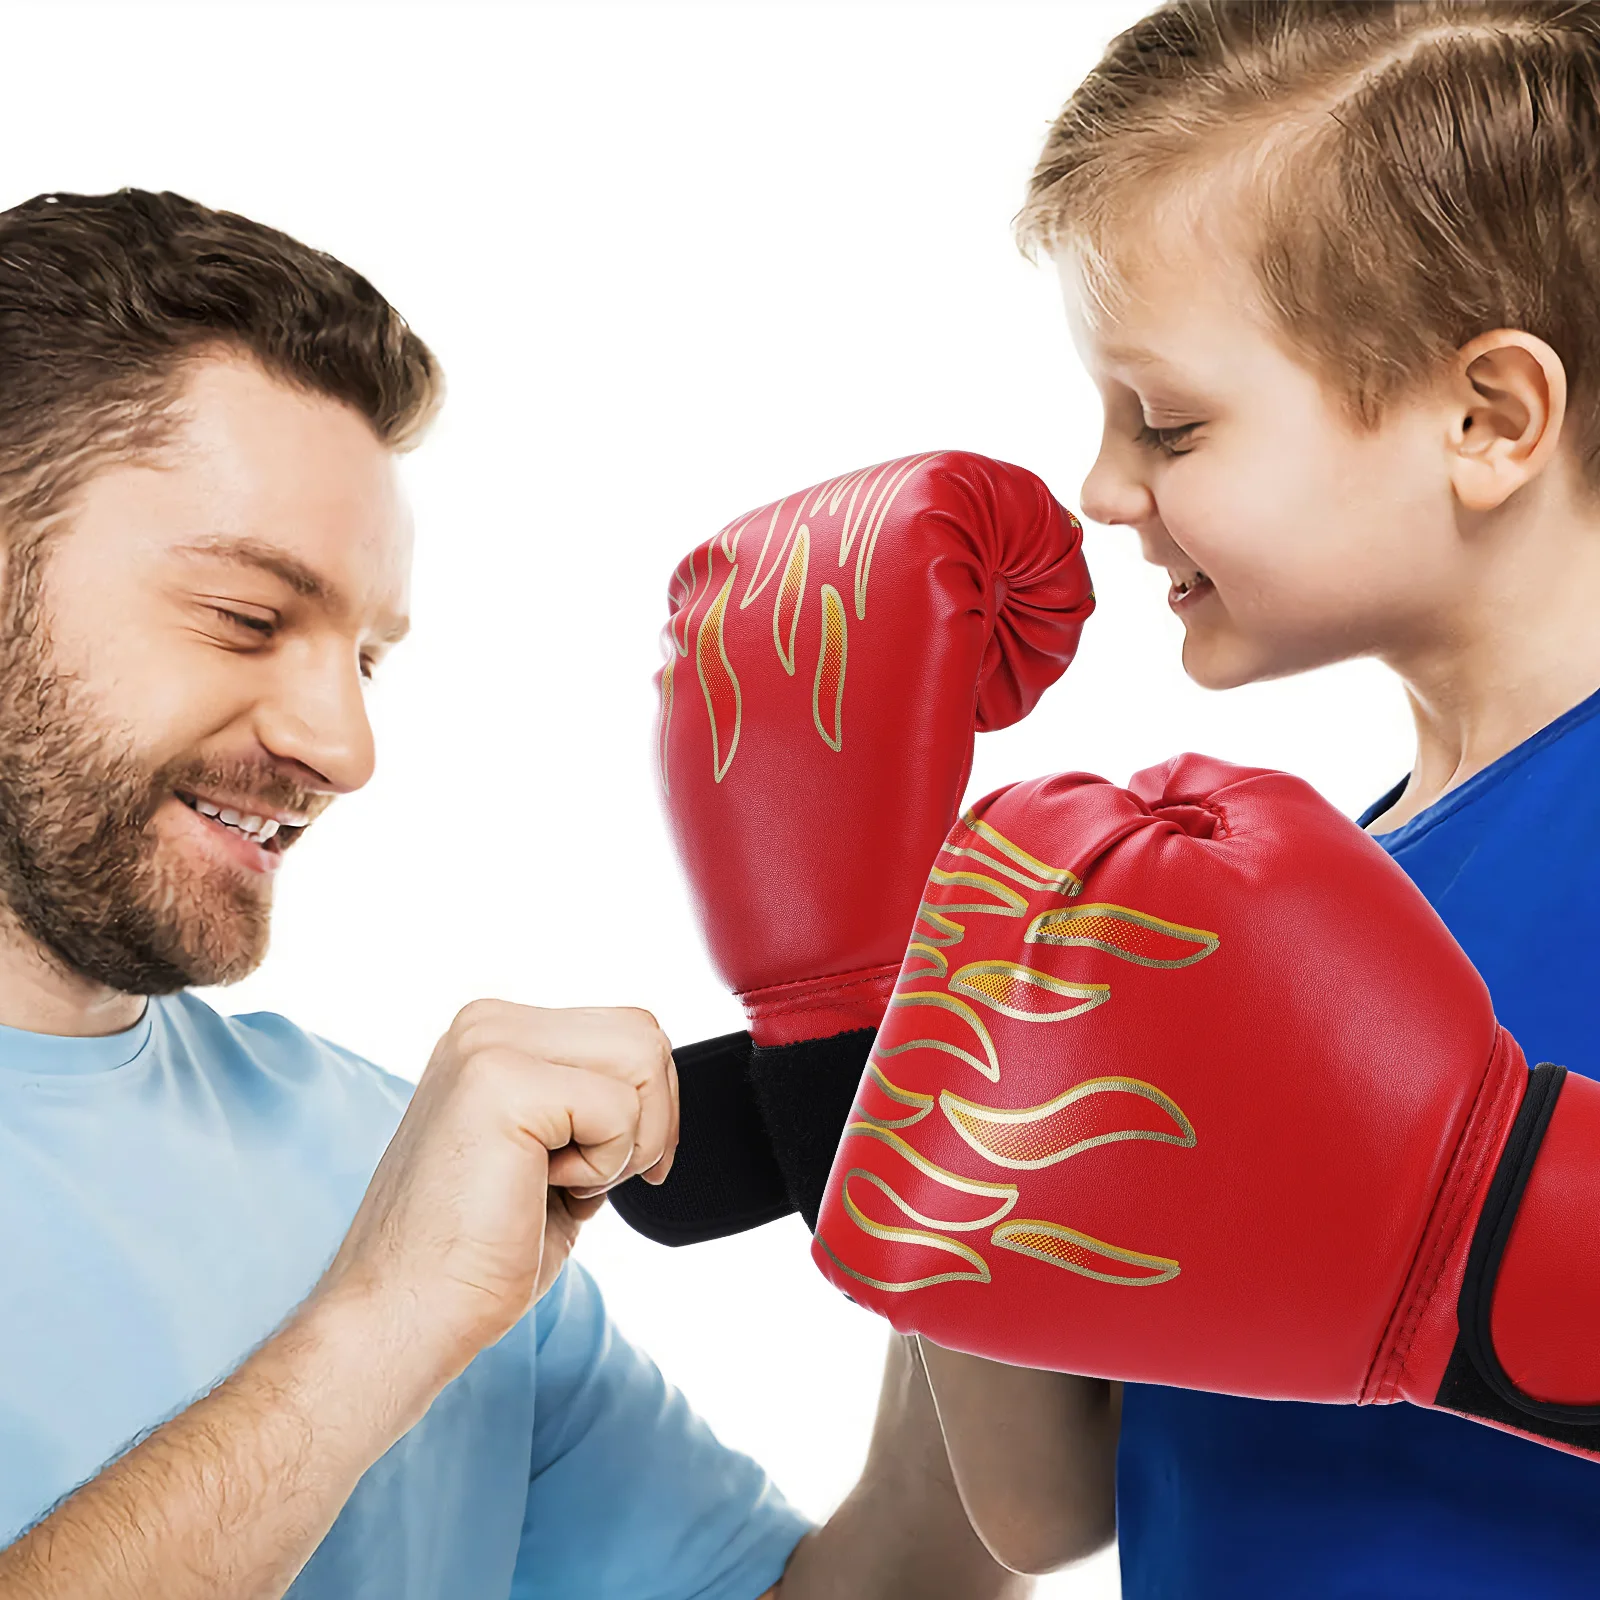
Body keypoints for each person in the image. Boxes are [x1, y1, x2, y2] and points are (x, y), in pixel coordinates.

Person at [0, 188, 1024, 1600]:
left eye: (367, 660)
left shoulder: (376, 1155)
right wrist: (386, 1322)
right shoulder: (410, 1253)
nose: (346, 749)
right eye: (248, 618)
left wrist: (963, 1165)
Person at [897, 1, 1600, 1593]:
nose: (1101, 490)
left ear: (1487, 421)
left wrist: (1482, 1245)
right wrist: (900, 994)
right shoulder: (1285, 910)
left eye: (1170, 424)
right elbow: (1049, 1503)